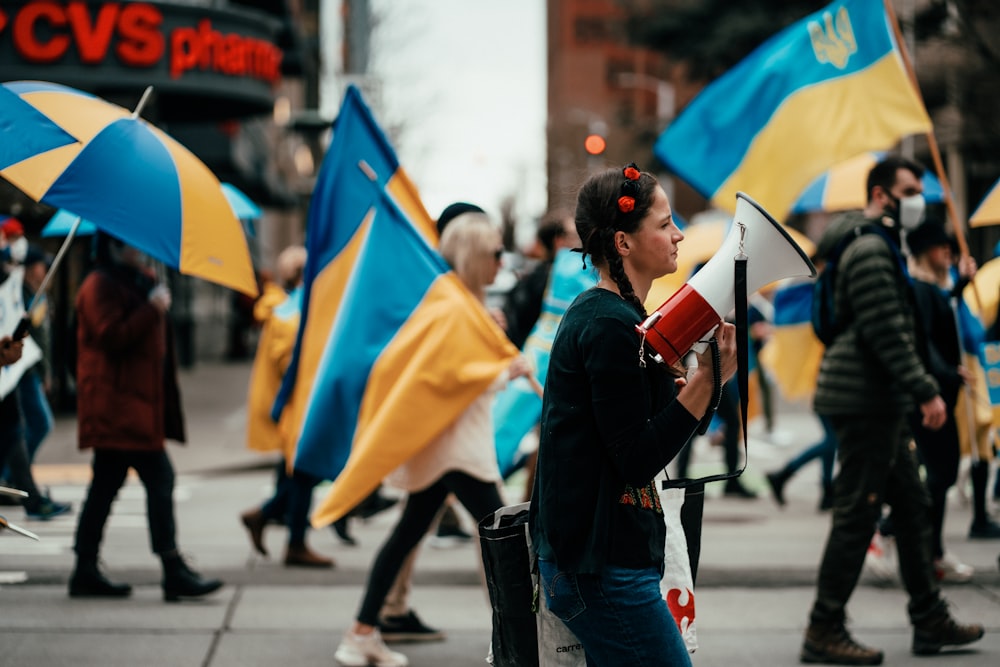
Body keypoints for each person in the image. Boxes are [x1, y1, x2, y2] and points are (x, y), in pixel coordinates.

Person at [528, 163, 737, 666]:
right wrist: (705, 386)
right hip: (602, 568)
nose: (678, 233)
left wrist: (702, 388)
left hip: (604, 560)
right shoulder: (607, 326)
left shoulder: (621, 319)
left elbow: (658, 432)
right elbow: (636, 458)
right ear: (623, 243)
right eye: (664, 224)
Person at [802, 155, 983, 664]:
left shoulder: (875, 244)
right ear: (881, 195)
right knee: (858, 514)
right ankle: (823, 626)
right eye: (908, 191)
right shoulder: (869, 248)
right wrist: (926, 390)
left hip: (877, 398)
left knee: (913, 505)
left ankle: (929, 618)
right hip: (865, 401)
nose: (916, 201)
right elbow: (887, 329)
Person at [334, 212, 531, 667]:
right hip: (456, 446)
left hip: (449, 444)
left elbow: (455, 366)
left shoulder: (454, 302)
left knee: (412, 533)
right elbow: (446, 375)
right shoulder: (451, 305)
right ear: (474, 256)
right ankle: (519, 644)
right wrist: (502, 370)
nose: (501, 262)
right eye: (495, 254)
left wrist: (491, 344)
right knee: (505, 540)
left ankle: (362, 631)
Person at [68, 232, 223, 601]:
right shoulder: (98, 285)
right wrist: (150, 310)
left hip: (134, 407)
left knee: (104, 487)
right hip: (118, 409)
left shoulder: (139, 282)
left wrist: (154, 302)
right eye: (131, 244)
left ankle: (85, 568)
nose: (139, 249)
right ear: (114, 247)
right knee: (158, 477)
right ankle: (171, 568)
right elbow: (110, 336)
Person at [239, 245, 334, 568]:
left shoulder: (291, 306)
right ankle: (285, 533)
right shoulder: (287, 310)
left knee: (299, 472)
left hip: (297, 403)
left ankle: (275, 523)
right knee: (304, 472)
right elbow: (287, 360)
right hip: (295, 405)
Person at [905, 218, 979, 581]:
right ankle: (899, 533)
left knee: (941, 473)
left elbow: (944, 308)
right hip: (929, 394)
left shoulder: (932, 287)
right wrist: (947, 374)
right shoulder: (918, 287)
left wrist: (961, 283)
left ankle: (930, 548)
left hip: (939, 390)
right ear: (923, 252)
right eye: (940, 247)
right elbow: (925, 341)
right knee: (940, 472)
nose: (947, 252)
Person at [501, 208, 579, 349]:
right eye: (573, 236)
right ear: (559, 242)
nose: (579, 242)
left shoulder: (531, 278)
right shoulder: (558, 283)